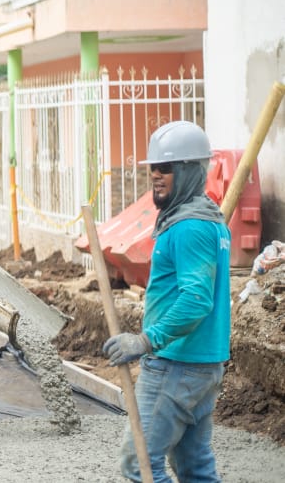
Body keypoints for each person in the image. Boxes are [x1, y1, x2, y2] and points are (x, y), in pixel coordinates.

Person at [102, 120, 230, 482]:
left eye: (166, 169)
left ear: (189, 171)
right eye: (153, 168)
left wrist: (145, 341)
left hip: (177, 363)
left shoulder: (190, 227)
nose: (156, 176)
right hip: (202, 364)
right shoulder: (210, 221)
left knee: (139, 463)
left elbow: (196, 300)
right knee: (194, 465)